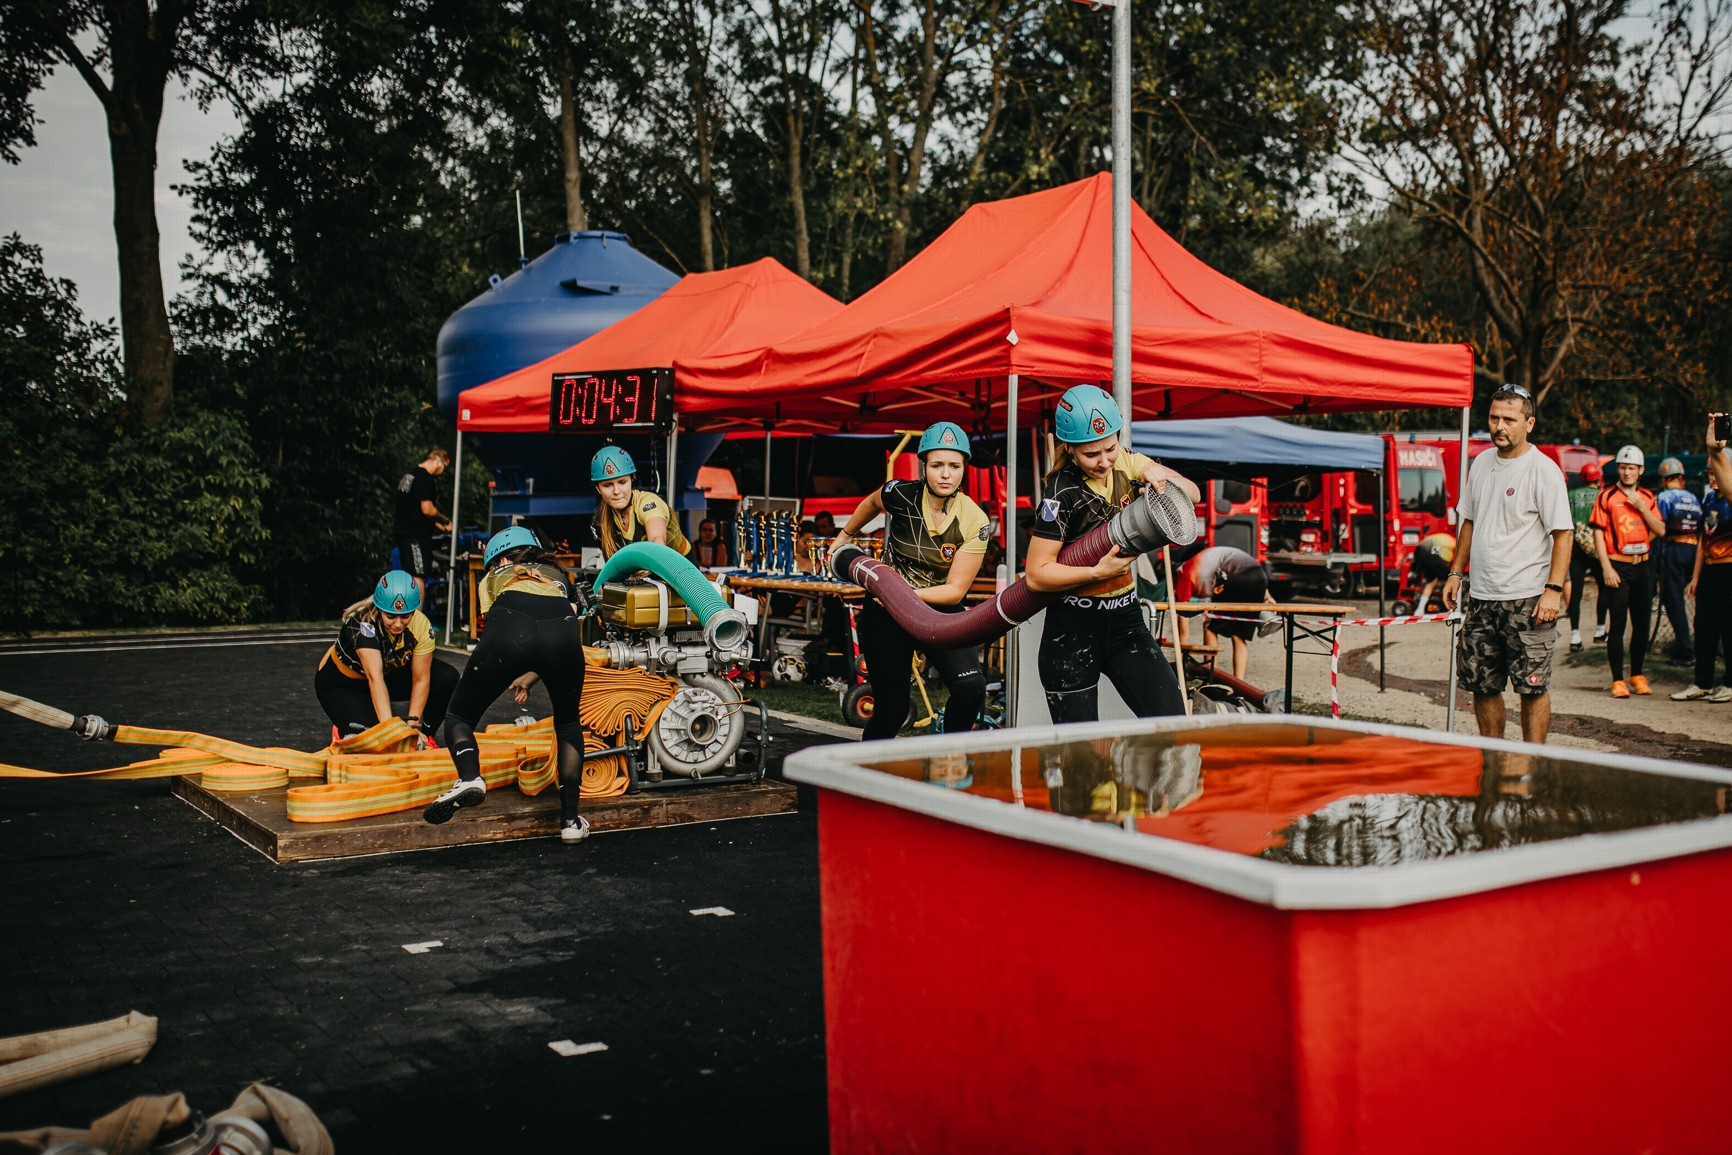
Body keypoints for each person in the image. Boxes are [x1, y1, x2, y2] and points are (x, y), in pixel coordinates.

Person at [1025, 385, 1199, 723]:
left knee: (1173, 725)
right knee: (1080, 750)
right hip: (1072, 629)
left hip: (1125, 622)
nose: (1104, 461)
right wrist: (1095, 573)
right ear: (1070, 449)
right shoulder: (1058, 493)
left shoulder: (1127, 461)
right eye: (1091, 454)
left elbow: (1192, 495)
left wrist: (1158, 475)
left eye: (1110, 448)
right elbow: (1036, 574)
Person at [423, 527, 592, 842]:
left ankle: (470, 777)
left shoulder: (495, 576)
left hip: (511, 628)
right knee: (568, 723)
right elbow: (558, 625)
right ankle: (570, 821)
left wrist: (508, 667)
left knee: (459, 716)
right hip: (564, 637)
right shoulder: (559, 575)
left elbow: (496, 628)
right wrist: (532, 673)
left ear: (500, 559)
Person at [832, 421, 991, 738]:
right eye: (937, 465)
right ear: (924, 466)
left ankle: (949, 752)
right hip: (885, 613)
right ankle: (868, 768)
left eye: (954, 466)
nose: (945, 474)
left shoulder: (976, 520)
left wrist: (900, 595)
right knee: (892, 709)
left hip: (937, 608)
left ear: (964, 468)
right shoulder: (900, 493)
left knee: (971, 688)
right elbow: (871, 502)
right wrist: (845, 535)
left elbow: (954, 591)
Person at [1442, 383, 1572, 742]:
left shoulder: (1543, 470)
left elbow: (1563, 534)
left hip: (1527, 599)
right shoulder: (1481, 464)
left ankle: (1534, 762)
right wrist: (1455, 572)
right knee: (1482, 685)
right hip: (1481, 598)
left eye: (1509, 420)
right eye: (1494, 418)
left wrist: (1553, 590)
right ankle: (1493, 759)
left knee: (1532, 687)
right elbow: (1468, 521)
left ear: (1529, 423)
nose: (1499, 426)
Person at [315, 570, 458, 745]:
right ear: (380, 609)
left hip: (387, 674)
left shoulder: (421, 625)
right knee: (373, 741)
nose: (398, 624)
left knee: (447, 677)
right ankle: (346, 726)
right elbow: (375, 678)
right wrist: (390, 732)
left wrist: (412, 727)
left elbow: (421, 679)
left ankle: (427, 737)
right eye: (390, 616)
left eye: (405, 616)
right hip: (343, 684)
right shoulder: (362, 625)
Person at [1592, 444, 1665, 697]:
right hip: (1617, 565)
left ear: (1641, 470)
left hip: (1642, 565)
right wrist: (1606, 567)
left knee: (1642, 622)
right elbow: (1598, 534)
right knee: (1618, 623)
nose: (1627, 472)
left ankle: (1637, 674)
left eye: (1632, 468)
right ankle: (1617, 679)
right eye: (1623, 467)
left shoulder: (1647, 497)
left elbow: (1660, 529)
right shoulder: (1606, 497)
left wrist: (1642, 508)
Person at [1674, 417, 1732, 702]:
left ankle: (1730, 684)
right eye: (1709, 472)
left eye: (1715, 471)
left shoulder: (1729, 500)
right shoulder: (1708, 500)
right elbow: (1701, 541)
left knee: (1729, 628)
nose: (1712, 477)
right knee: (1704, 627)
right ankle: (1702, 682)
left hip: (1729, 569)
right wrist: (1695, 577)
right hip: (1709, 569)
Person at [1170, 542, 1277, 681]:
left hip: (1237, 579)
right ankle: (1239, 683)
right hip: (1260, 577)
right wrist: (1267, 596)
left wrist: (1181, 649)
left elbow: (1182, 614)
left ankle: (1210, 677)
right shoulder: (1203, 561)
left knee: (1209, 626)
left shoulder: (1183, 573)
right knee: (1238, 635)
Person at [590, 446, 691, 559]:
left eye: (622, 482)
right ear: (598, 489)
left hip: (682, 566)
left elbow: (657, 541)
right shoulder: (600, 521)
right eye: (607, 485)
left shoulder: (648, 502)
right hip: (642, 567)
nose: (616, 491)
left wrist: (654, 551)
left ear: (632, 479)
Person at [1654, 456, 1701, 665]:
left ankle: (1685, 651)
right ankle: (1698, 645)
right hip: (1695, 549)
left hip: (1674, 550)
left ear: (1664, 479)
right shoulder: (1693, 499)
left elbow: (1660, 527)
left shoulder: (1664, 498)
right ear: (1680, 477)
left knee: (1673, 600)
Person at [393, 449, 452, 602]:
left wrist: (439, 527)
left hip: (403, 533)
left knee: (410, 576)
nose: (442, 472)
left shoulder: (410, 475)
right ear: (438, 461)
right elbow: (428, 510)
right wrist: (445, 521)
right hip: (415, 537)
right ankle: (416, 615)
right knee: (418, 576)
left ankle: (406, 611)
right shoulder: (425, 478)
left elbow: (415, 510)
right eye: (445, 467)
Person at [1565, 460, 1606, 652]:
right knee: (1603, 589)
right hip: (1598, 548)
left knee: (1576, 592)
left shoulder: (1571, 495)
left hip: (1576, 549)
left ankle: (1575, 637)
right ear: (1598, 478)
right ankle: (1600, 631)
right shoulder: (1603, 495)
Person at [1409, 530, 1456, 613]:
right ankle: (1451, 608)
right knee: (1451, 579)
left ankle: (1419, 610)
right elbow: (1447, 561)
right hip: (1430, 552)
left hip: (1419, 550)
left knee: (1431, 582)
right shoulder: (1453, 544)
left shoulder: (1447, 539)